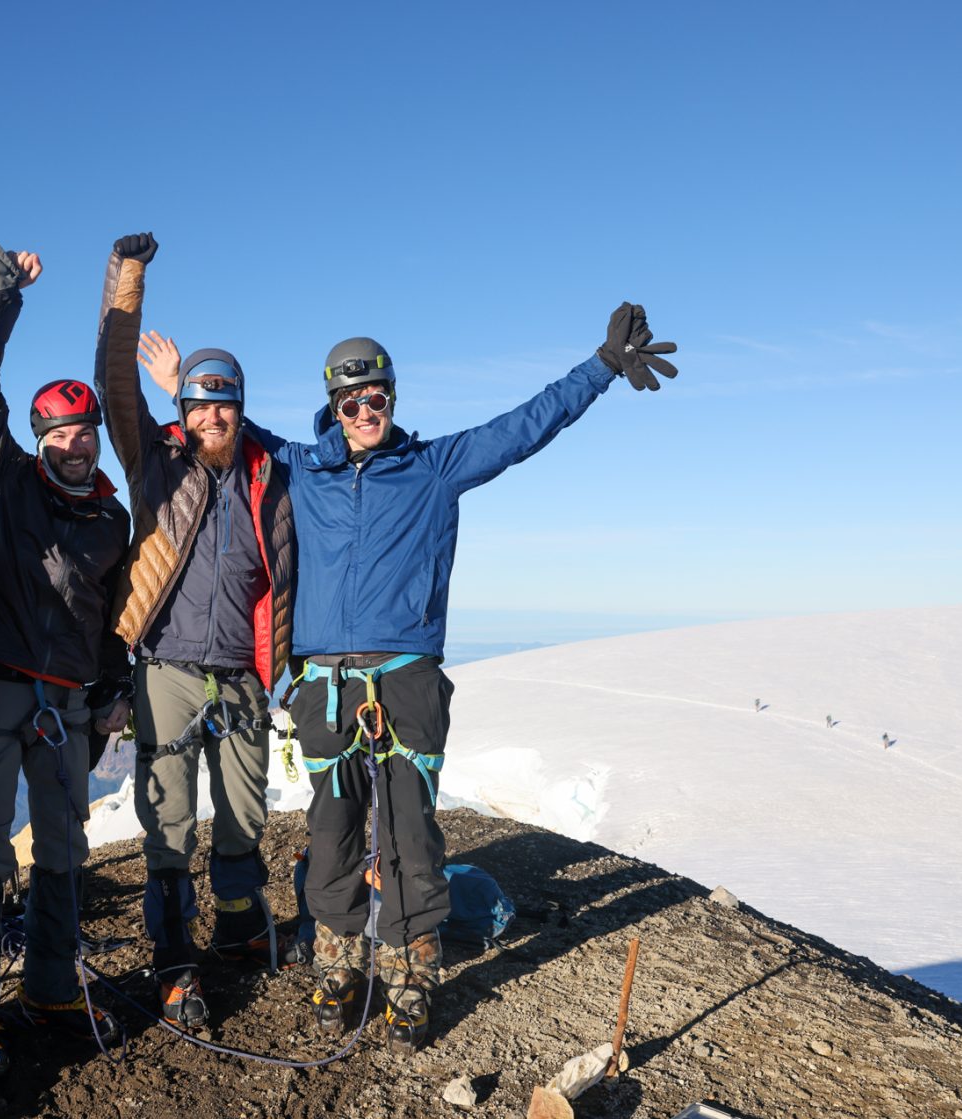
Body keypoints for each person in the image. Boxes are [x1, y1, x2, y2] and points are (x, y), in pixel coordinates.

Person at [139, 305, 678, 1052]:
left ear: (392, 400)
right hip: (326, 683)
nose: (364, 413)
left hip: (407, 676)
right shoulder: (300, 466)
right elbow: (220, 423)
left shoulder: (434, 467)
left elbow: (523, 428)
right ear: (333, 407)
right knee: (330, 832)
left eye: (377, 400)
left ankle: (409, 974)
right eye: (350, 403)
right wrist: (176, 390)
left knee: (410, 834)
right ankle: (336, 967)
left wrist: (599, 368)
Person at [0, 237, 132, 1068]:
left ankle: (51, 986)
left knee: (62, 850)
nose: (73, 445)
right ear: (39, 439)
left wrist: (114, 690)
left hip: (71, 705)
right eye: (57, 433)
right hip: (0, 695)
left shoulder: (111, 523)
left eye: (82, 433)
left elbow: (119, 615)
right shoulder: (9, 480)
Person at [94, 233, 296, 1032]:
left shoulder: (267, 479)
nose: (211, 415)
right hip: (168, 671)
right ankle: (176, 965)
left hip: (243, 677)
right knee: (169, 823)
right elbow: (114, 382)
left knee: (245, 819)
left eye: (225, 402)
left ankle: (241, 930)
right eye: (198, 403)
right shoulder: (158, 465)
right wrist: (128, 281)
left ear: (242, 409)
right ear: (181, 410)